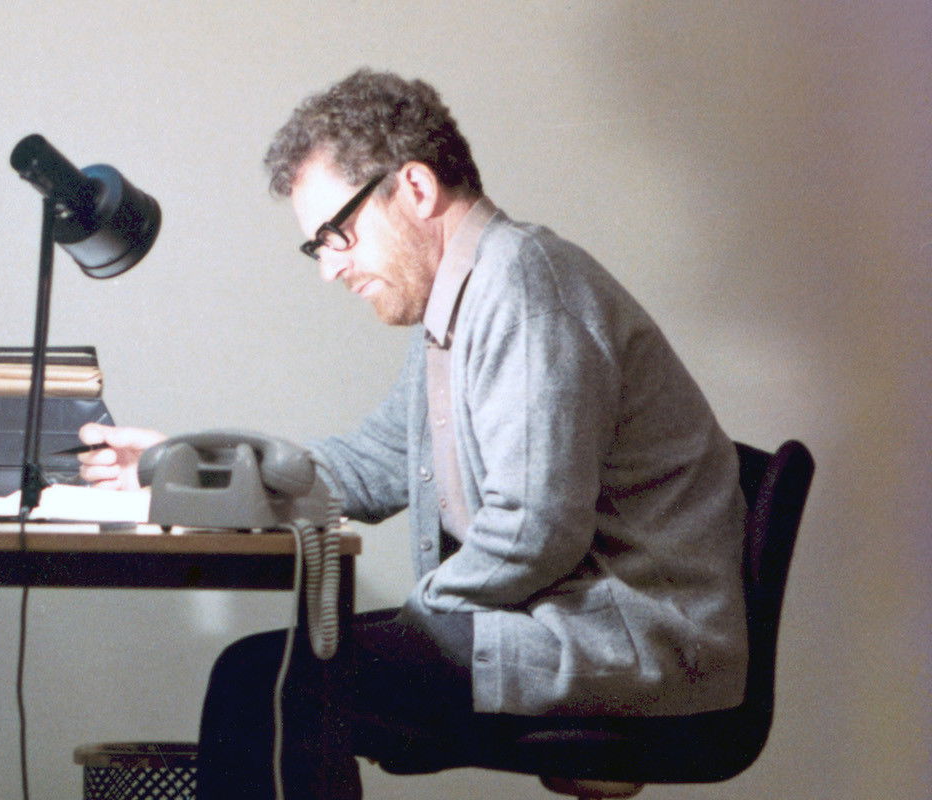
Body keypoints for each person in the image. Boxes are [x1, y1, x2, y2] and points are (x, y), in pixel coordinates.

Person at [78, 69, 747, 799]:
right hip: (564, 622)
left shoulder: (524, 288)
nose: (330, 268)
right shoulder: (460, 301)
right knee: (275, 677)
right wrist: (202, 466)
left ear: (417, 188)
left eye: (337, 234)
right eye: (318, 248)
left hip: (626, 643)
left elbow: (535, 530)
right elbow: (375, 462)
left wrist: (415, 620)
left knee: (263, 683)